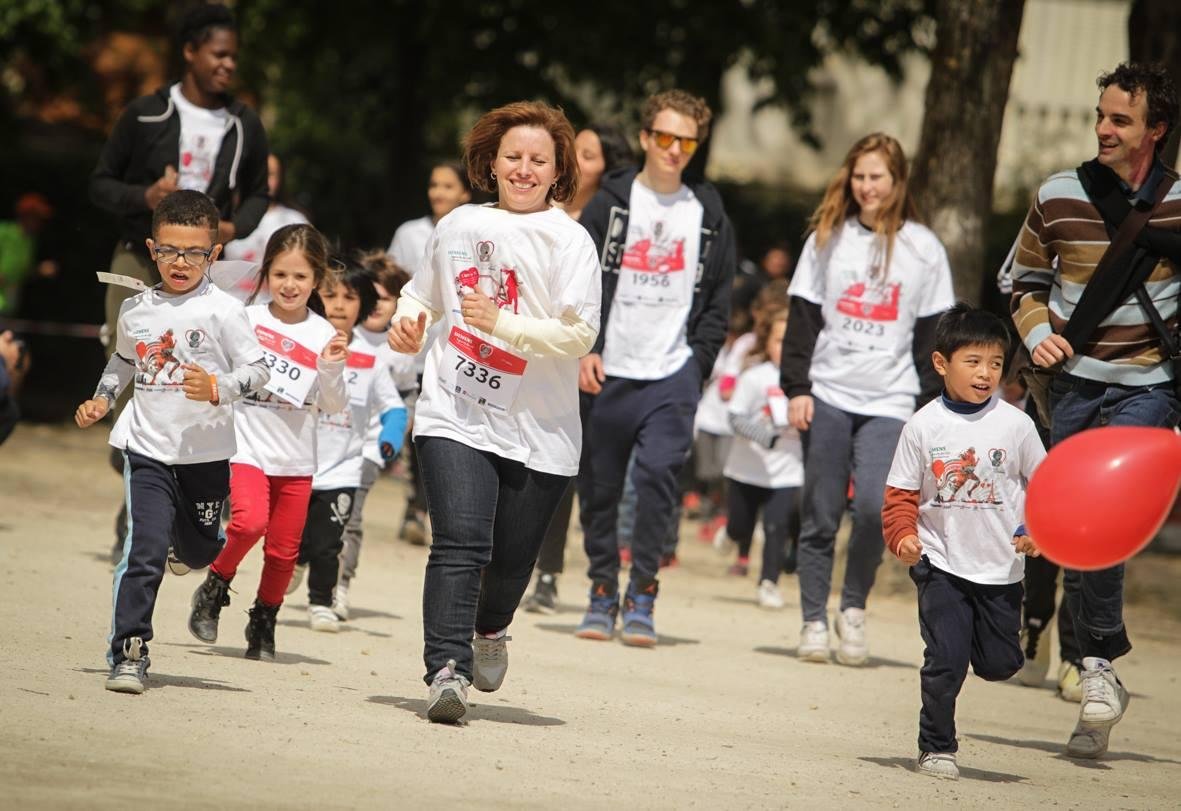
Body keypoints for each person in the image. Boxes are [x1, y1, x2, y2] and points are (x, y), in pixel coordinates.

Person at [387, 100, 600, 722]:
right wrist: (408, 325)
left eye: (539, 160)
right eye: (514, 157)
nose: (525, 169)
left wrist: (502, 322)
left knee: (511, 563)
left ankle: (491, 627)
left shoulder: (571, 241)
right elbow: (421, 296)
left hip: (542, 429)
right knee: (459, 542)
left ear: (558, 169)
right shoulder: (457, 226)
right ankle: (445, 670)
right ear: (492, 162)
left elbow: (579, 334)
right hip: (456, 407)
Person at [1009, 62, 1181, 758]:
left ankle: (1097, 663)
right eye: (1100, 116)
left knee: (1103, 518)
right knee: (1075, 533)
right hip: (1072, 385)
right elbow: (1021, 279)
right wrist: (1035, 333)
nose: (1104, 129)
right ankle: (1094, 680)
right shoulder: (1056, 194)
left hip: (1146, 385)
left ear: (1155, 129)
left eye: (1120, 120)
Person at [89, 2, 269, 556]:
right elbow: (100, 184)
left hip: (207, 259)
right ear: (190, 52)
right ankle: (139, 494)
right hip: (139, 257)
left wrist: (238, 224)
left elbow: (260, 191)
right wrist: (145, 197)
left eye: (234, 56)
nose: (227, 65)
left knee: (205, 364)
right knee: (132, 359)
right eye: (218, 54)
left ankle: (185, 497)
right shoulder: (144, 113)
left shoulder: (243, 122)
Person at [74, 189, 270, 694]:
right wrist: (102, 398)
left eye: (194, 252)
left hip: (205, 452)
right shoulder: (137, 309)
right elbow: (122, 361)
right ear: (151, 248)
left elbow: (259, 370)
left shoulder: (224, 312)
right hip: (147, 448)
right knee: (143, 550)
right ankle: (129, 650)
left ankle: (191, 550)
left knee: (203, 549)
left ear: (214, 253)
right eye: (169, 250)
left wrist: (219, 388)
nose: (180, 262)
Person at [781, 132, 954, 666]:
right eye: (859, 176)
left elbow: (933, 338)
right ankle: (813, 618)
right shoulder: (827, 238)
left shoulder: (924, 249)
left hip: (891, 400)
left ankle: (852, 609)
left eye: (877, 176)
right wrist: (797, 388)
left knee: (874, 507)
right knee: (821, 513)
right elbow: (803, 319)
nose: (866, 186)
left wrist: (931, 408)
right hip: (829, 394)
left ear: (898, 182)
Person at [574, 89, 735, 647]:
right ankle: (601, 589)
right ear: (645, 138)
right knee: (599, 487)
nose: (674, 149)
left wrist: (698, 366)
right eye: (664, 137)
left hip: (672, 373)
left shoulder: (709, 212)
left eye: (685, 140)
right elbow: (581, 282)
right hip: (608, 367)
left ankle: (642, 591)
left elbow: (718, 301)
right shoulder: (611, 203)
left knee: (658, 478)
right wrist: (585, 348)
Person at [882, 303, 1045, 780]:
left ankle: (989, 645)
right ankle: (937, 747)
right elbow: (900, 495)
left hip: (1001, 568)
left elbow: (1048, 485)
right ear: (942, 364)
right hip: (940, 563)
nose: (985, 373)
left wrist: (1035, 528)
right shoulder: (923, 426)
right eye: (973, 361)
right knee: (945, 660)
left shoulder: (1016, 425)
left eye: (995, 363)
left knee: (998, 664)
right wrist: (904, 537)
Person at [186, 224, 348, 661]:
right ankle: (214, 586)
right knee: (247, 524)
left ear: (317, 279)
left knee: (283, 553)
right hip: (246, 448)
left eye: (299, 277)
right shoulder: (247, 319)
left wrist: (331, 368)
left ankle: (264, 620)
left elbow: (332, 405)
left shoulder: (322, 334)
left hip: (296, 459)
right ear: (266, 275)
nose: (289, 285)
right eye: (280, 275)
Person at [523, 121, 633, 614]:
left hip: (580, 359)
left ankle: (548, 572)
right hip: (522, 348)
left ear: (608, 168)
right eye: (573, 151)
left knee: (562, 466)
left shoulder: (613, 224)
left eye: (588, 155)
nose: (576, 160)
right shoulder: (536, 209)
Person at [296, 262, 407, 632]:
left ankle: (328, 595)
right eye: (330, 295)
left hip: (349, 462)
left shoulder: (370, 359)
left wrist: (391, 437)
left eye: (349, 297)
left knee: (339, 531)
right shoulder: (299, 343)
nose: (340, 305)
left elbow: (393, 406)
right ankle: (296, 559)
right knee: (297, 529)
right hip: (298, 457)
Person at [387, 161, 473, 546]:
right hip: (416, 350)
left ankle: (434, 508)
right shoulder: (410, 233)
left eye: (448, 186)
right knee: (418, 432)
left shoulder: (474, 232)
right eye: (434, 184)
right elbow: (394, 282)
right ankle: (415, 503)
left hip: (456, 351)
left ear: (465, 193)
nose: (439, 192)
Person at [333, 250, 416, 621]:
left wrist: (395, 437)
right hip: (322, 442)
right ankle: (302, 562)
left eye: (388, 297)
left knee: (350, 516)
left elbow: (407, 396)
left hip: (366, 448)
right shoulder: (339, 335)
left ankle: (340, 584)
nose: (379, 304)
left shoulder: (400, 349)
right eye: (373, 295)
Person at [722, 301, 802, 609]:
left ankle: (769, 581)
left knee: (776, 526)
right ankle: (729, 534)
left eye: (792, 340)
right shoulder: (756, 377)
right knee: (740, 527)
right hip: (747, 468)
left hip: (787, 469)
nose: (786, 346)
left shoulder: (812, 381)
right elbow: (734, 417)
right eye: (780, 340)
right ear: (768, 343)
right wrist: (764, 437)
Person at [222, 155, 309, 265]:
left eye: (270, 174)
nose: (263, 181)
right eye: (257, 174)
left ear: (280, 179)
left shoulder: (295, 220)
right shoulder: (225, 218)